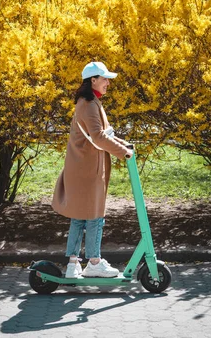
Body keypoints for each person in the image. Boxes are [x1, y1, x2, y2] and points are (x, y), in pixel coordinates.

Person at [51, 61, 133, 278]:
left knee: (79, 216)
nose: (108, 82)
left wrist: (124, 145)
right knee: (95, 216)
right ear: (93, 80)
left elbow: (103, 135)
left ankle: (72, 264)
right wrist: (123, 152)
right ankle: (94, 262)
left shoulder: (89, 102)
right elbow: (98, 137)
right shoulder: (88, 104)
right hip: (88, 171)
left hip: (81, 169)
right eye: (104, 78)